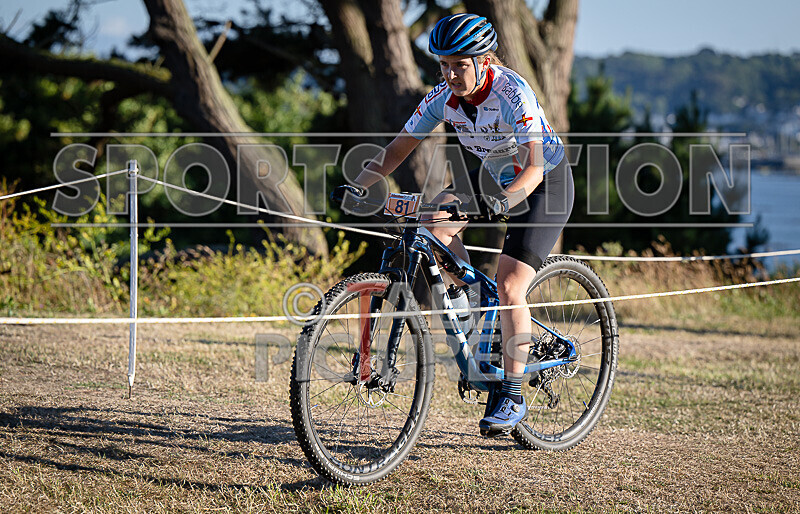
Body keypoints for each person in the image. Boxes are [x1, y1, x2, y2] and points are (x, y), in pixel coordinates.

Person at [350, 13, 574, 436]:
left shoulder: (513, 92)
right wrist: (357, 185)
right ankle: (472, 309)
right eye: (444, 64)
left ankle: (511, 393)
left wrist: (500, 203)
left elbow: (533, 168)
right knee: (434, 227)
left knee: (510, 284)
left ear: (485, 60)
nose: (451, 74)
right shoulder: (443, 95)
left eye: (461, 64)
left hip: (542, 180)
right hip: (490, 173)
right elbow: (400, 147)